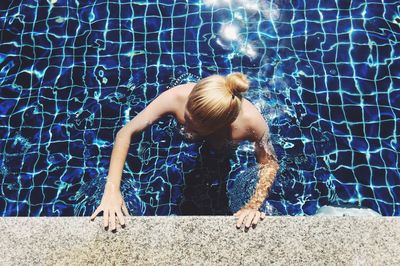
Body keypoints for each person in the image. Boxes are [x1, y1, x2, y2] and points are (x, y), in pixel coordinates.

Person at [90, 72, 280, 231]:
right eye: (185, 118)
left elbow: (269, 164)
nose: (185, 129)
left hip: (223, 145)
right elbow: (126, 133)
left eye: (194, 127)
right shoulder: (177, 97)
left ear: (221, 124)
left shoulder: (251, 124)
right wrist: (112, 190)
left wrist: (253, 205)